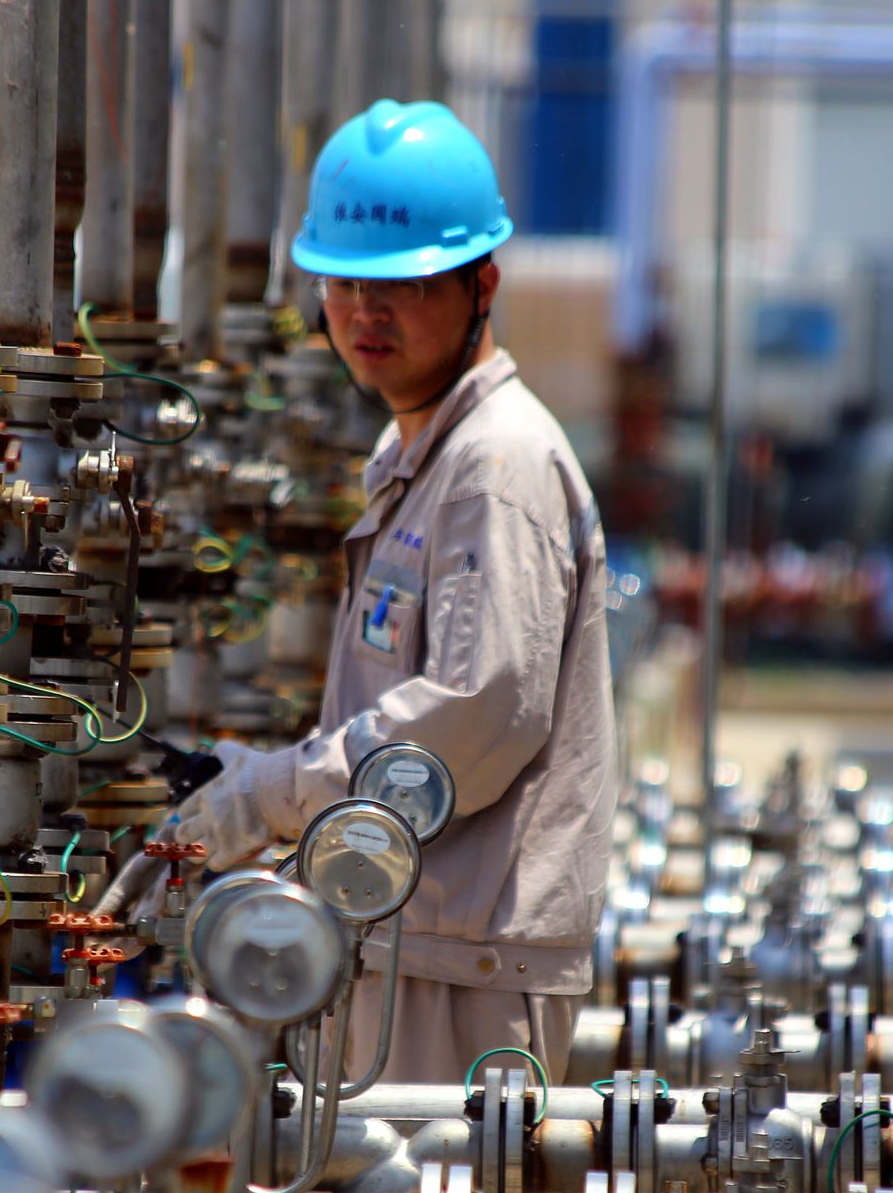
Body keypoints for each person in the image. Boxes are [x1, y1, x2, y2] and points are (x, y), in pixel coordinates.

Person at [168, 98, 616, 1084]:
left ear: (481, 283)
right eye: (345, 282)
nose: (366, 314)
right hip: (414, 938)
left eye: (402, 285)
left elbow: (475, 715)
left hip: (464, 963)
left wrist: (270, 795)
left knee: (430, 1187)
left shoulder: (496, 464)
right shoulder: (421, 454)